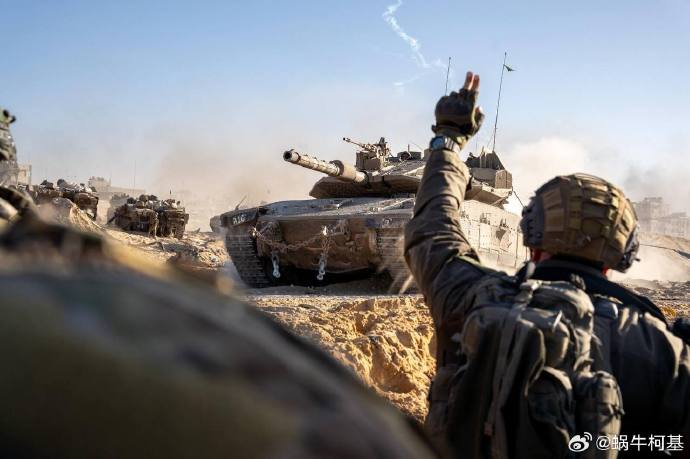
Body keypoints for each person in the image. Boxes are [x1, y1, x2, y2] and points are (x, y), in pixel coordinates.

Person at [405, 71, 690, 457]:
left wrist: (448, 140)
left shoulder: (469, 296)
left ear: (531, 236)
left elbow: (432, 226)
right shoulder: (660, 348)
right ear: (621, 255)